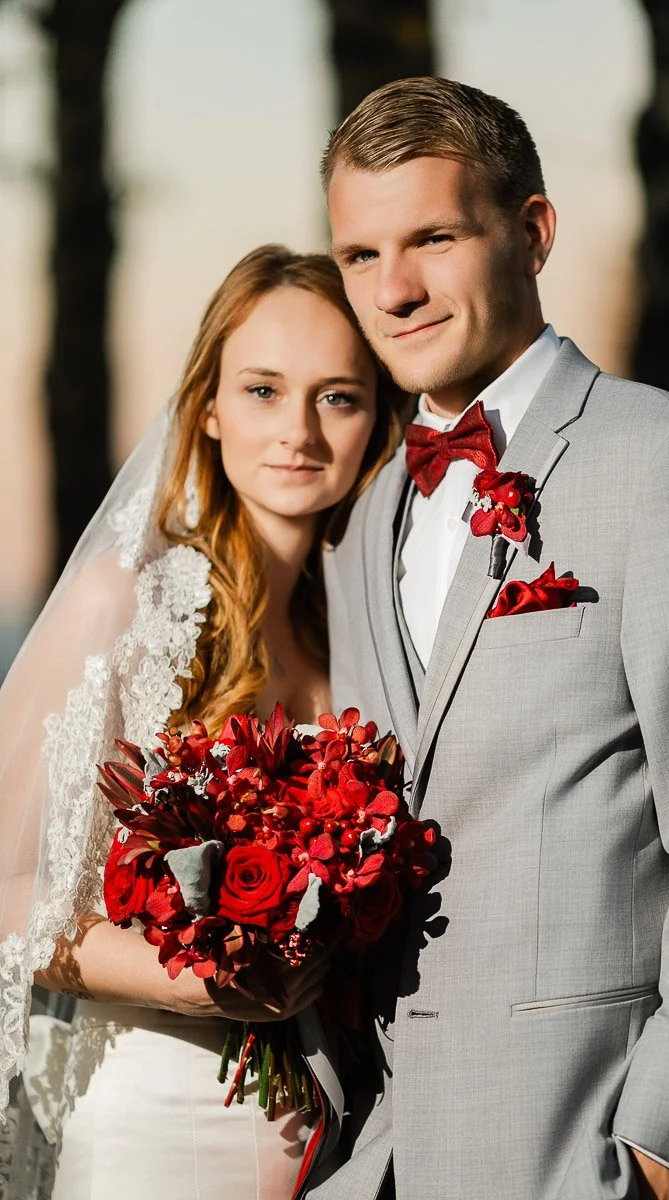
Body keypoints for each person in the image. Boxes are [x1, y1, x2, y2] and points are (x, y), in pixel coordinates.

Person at [311, 77, 669, 1200]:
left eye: (432, 237)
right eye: (358, 255)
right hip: (384, 1161)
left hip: (586, 1155)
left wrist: (664, 1152)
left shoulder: (666, 464)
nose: (393, 291)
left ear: (530, 234)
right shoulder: (363, 515)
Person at [0, 244, 406, 1200]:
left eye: (338, 396)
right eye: (264, 390)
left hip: (337, 1136)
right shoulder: (122, 605)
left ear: (375, 419)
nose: (299, 431)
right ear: (210, 405)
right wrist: (195, 977)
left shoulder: (363, 636)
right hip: (160, 1123)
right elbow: (7, 894)